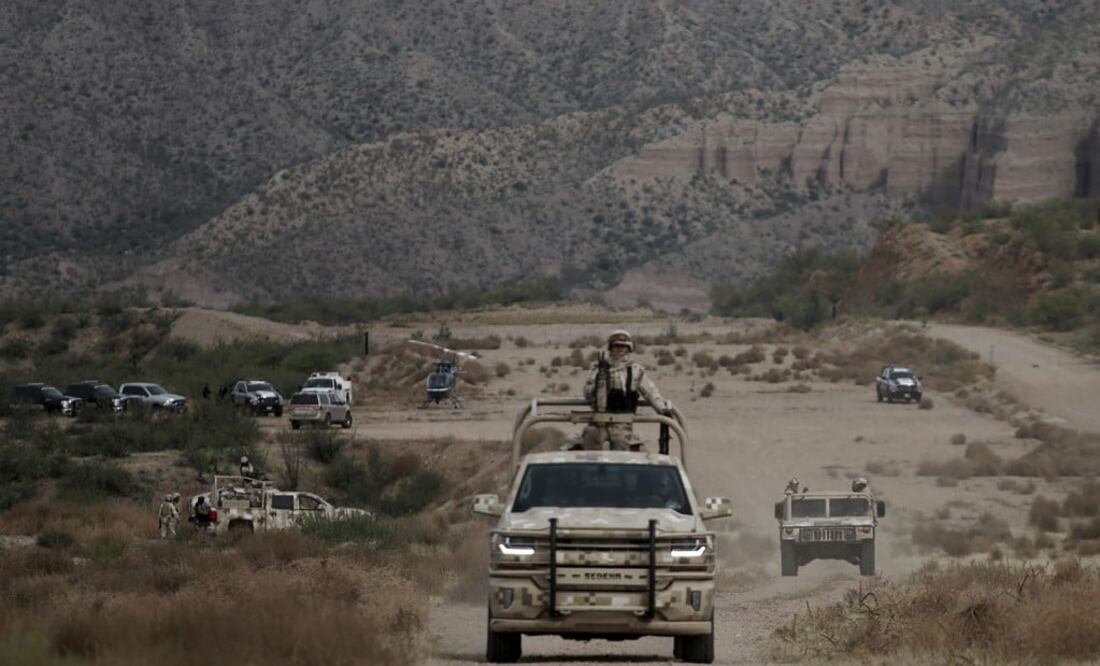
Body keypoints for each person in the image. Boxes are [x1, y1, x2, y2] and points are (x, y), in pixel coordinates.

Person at [573, 330, 671, 451]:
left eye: (623, 346)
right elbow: (587, 391)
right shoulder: (599, 368)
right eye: (616, 346)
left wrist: (662, 409)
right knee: (592, 439)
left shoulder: (635, 371)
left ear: (629, 349)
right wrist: (600, 385)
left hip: (623, 421)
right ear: (610, 348)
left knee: (621, 443)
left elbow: (650, 391)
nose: (620, 349)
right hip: (598, 420)